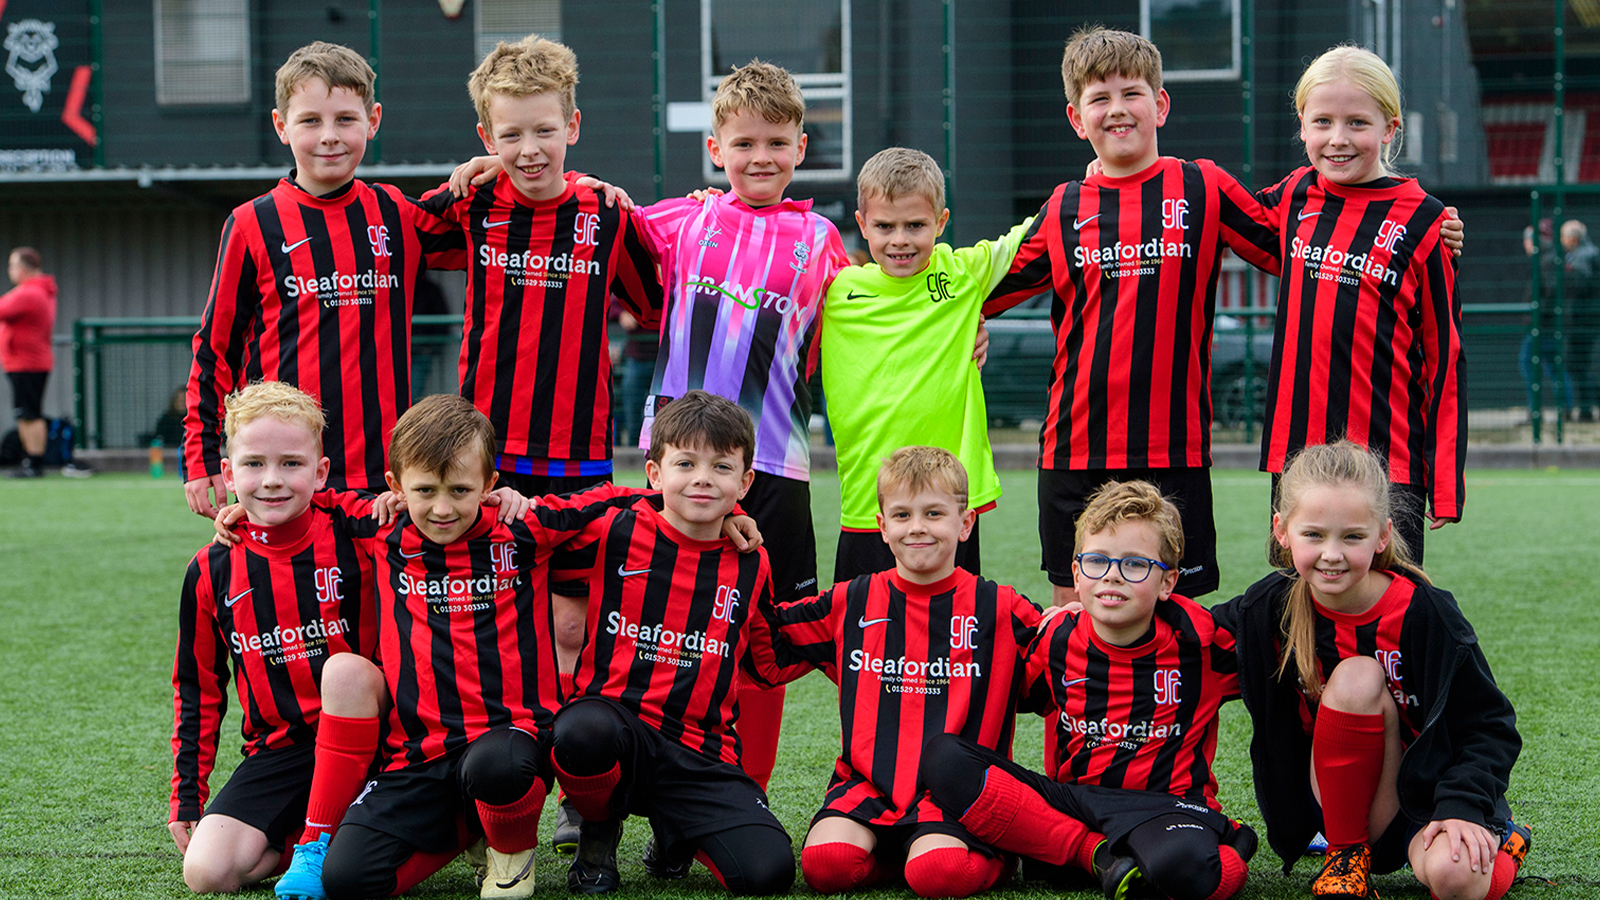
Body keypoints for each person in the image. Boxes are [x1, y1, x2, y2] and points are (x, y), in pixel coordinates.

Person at [418, 33, 666, 852]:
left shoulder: (604, 212)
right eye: (509, 134)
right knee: (491, 625)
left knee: (567, 630)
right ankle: (492, 788)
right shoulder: (474, 203)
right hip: (483, 462)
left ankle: (579, 789)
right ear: (487, 137)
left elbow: (659, 299)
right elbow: (396, 242)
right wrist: (453, 179)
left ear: (574, 126)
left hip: (577, 460)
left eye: (544, 130)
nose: (529, 149)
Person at [275, 394, 645, 900]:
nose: (443, 507)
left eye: (461, 489)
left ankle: (512, 853)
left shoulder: (524, 528)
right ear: (395, 487)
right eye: (424, 490)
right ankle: (466, 831)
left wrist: (726, 512)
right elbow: (302, 495)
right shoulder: (382, 527)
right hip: (417, 753)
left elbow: (628, 496)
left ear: (491, 485)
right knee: (348, 881)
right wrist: (240, 510)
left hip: (509, 740)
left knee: (498, 763)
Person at [982, 27, 1284, 607]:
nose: (1117, 110)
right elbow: (979, 289)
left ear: (1161, 104)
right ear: (1077, 118)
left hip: (1175, 449)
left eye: (1132, 93)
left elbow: (1295, 243)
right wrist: (962, 317)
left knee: (1180, 625)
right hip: (1075, 449)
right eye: (1099, 99)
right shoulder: (1062, 207)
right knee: (1074, 622)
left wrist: (1408, 215)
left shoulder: (1203, 188)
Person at [631, 60, 851, 795]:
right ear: (715, 149)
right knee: (661, 630)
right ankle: (652, 792)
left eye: (778, 143)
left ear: (801, 146)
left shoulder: (822, 240)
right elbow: (586, 218)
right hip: (678, 468)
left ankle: (746, 793)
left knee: (768, 639)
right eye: (745, 143)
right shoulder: (676, 220)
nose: (762, 158)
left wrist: (966, 326)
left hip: (776, 468)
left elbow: (875, 312)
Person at [1212, 441, 1528, 900]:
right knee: (1356, 677)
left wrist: (1462, 806)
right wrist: (1080, 622)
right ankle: (1343, 856)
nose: (1332, 554)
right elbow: (1189, 639)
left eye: (1353, 537)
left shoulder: (1426, 614)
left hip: (1427, 797)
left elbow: (1490, 725)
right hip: (1334, 799)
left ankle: (1507, 842)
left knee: (1456, 877)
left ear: (1383, 535)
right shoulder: (1268, 608)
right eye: (1314, 535)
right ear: (1282, 531)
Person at [920, 480, 1256, 900]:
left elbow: (1271, 635)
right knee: (944, 758)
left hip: (1164, 806)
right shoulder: (1055, 637)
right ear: (1077, 575)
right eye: (1098, 561)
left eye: (1135, 565)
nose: (1112, 576)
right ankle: (1096, 856)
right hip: (1075, 803)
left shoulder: (1202, 639)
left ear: (1168, 582)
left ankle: (1226, 839)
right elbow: (1012, 691)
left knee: (1187, 870)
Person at [182, 42, 467, 518]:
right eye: (310, 120)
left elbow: (491, 227)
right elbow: (216, 350)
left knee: (380, 595)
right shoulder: (252, 224)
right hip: (287, 476)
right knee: (288, 592)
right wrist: (201, 455)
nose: (329, 136)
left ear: (373, 120)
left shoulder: (396, 214)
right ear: (281, 126)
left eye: (346, 120)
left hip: (387, 478)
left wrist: (517, 172)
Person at [747, 446, 1042, 897]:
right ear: (882, 527)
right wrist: (725, 544)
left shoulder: (1001, 608)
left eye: (934, 513)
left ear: (965, 524)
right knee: (826, 867)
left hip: (956, 796)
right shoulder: (850, 602)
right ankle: (903, 853)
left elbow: (1061, 666)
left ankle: (992, 854)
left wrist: (1078, 620)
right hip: (868, 784)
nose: (917, 527)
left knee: (939, 874)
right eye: (902, 515)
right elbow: (767, 643)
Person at [550, 391, 793, 896]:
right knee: (579, 732)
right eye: (685, 463)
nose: (703, 477)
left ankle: (675, 830)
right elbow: (529, 549)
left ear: (744, 482)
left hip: (700, 750)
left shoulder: (752, 560)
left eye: (721, 467)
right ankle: (599, 831)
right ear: (655, 473)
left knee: (766, 874)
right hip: (617, 728)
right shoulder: (613, 529)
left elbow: (769, 657)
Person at [1256, 45, 1465, 562]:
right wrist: (1109, 169)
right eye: (1322, 121)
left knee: (1388, 607)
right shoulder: (1293, 196)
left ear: (1390, 129)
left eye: (1357, 122)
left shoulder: (1426, 222)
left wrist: (1444, 476)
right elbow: (1211, 212)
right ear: (1301, 125)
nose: (1338, 139)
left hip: (1389, 463)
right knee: (1299, 604)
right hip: (1297, 457)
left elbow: (1445, 359)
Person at [168, 381, 378, 894]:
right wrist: (187, 798)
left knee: (343, 672)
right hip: (281, 751)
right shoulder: (209, 569)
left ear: (321, 471)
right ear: (228, 473)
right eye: (254, 465)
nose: (271, 481)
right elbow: (198, 690)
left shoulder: (360, 535)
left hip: (377, 740)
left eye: (291, 464)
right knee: (206, 873)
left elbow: (432, 511)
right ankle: (302, 840)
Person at [820, 149, 1028, 582]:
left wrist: (1095, 177)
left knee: (952, 635)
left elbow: (1033, 233)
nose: (900, 240)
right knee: (863, 638)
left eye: (915, 225)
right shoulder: (836, 287)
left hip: (950, 505)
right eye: (884, 226)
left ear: (941, 222)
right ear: (861, 225)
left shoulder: (962, 274)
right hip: (867, 501)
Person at [0, 246, 57, 478]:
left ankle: (34, 463)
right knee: (25, 414)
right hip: (23, 363)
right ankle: (31, 461)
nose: (9, 271)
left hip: (28, 364)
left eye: (12, 266)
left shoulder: (30, 293)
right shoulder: (35, 291)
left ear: (24, 268)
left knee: (30, 414)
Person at [1561, 218, 1599, 421]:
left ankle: (1586, 409)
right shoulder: (1589, 254)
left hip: (1583, 320)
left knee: (1577, 364)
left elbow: (1580, 286)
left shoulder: (1581, 258)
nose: (1562, 240)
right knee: (1578, 364)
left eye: (1564, 236)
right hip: (1586, 319)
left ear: (1573, 238)